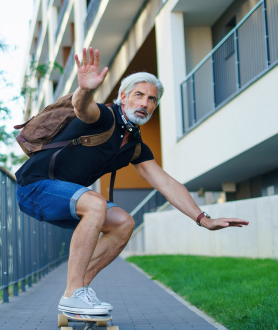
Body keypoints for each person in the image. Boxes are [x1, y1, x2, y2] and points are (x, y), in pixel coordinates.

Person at [15, 47, 249, 315]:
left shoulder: (134, 146)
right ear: (123, 97)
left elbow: (167, 183)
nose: (145, 103)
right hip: (33, 187)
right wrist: (85, 90)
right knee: (94, 203)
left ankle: (78, 292)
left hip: (67, 195)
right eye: (139, 95)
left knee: (124, 223)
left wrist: (203, 219)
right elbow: (82, 109)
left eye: (151, 99)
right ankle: (73, 294)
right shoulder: (104, 117)